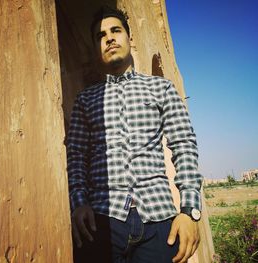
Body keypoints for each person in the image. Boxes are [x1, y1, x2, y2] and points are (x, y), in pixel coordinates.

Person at [66, 6, 203, 263]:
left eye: (115, 30)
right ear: (97, 47)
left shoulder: (160, 88)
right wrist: (79, 202)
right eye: (100, 35)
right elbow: (76, 155)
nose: (109, 38)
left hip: (159, 219)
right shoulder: (85, 99)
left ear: (128, 38)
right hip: (101, 220)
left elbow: (184, 144)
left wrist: (189, 211)